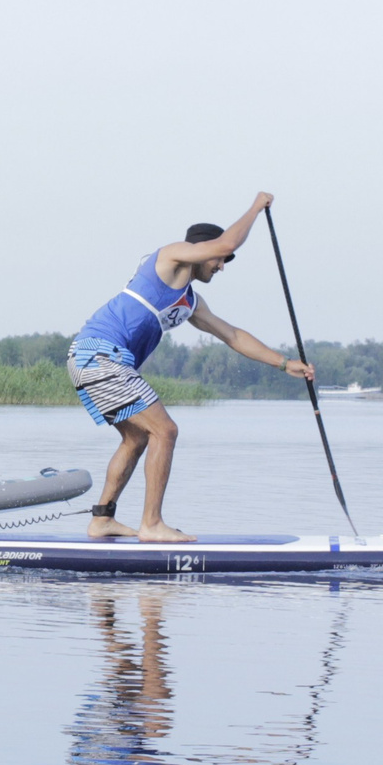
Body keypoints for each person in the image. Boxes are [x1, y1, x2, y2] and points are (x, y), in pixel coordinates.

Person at [69, 192, 314, 544]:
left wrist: (284, 363)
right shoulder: (168, 258)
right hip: (100, 355)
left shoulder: (190, 301)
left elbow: (231, 335)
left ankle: (102, 519)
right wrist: (257, 207)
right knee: (165, 431)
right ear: (202, 250)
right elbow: (228, 240)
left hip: (95, 360)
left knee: (138, 437)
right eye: (219, 259)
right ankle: (152, 524)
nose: (221, 265)